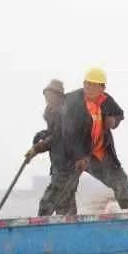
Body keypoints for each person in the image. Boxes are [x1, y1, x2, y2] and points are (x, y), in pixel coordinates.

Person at [62, 67, 128, 210]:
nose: (89, 88)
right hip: (76, 153)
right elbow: (68, 132)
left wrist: (113, 120)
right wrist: (79, 156)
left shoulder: (106, 100)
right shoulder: (72, 101)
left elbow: (120, 113)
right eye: (87, 84)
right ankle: (66, 221)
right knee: (66, 188)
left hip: (98, 153)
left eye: (94, 85)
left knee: (120, 182)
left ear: (102, 87)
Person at [26, 79, 76, 216]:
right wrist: (43, 134)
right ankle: (70, 232)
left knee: (48, 207)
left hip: (66, 168)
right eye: (45, 95)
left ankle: (43, 233)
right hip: (60, 168)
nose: (47, 99)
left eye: (50, 95)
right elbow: (54, 133)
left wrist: (36, 149)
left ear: (58, 96)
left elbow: (57, 138)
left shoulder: (65, 114)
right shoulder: (53, 113)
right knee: (64, 207)